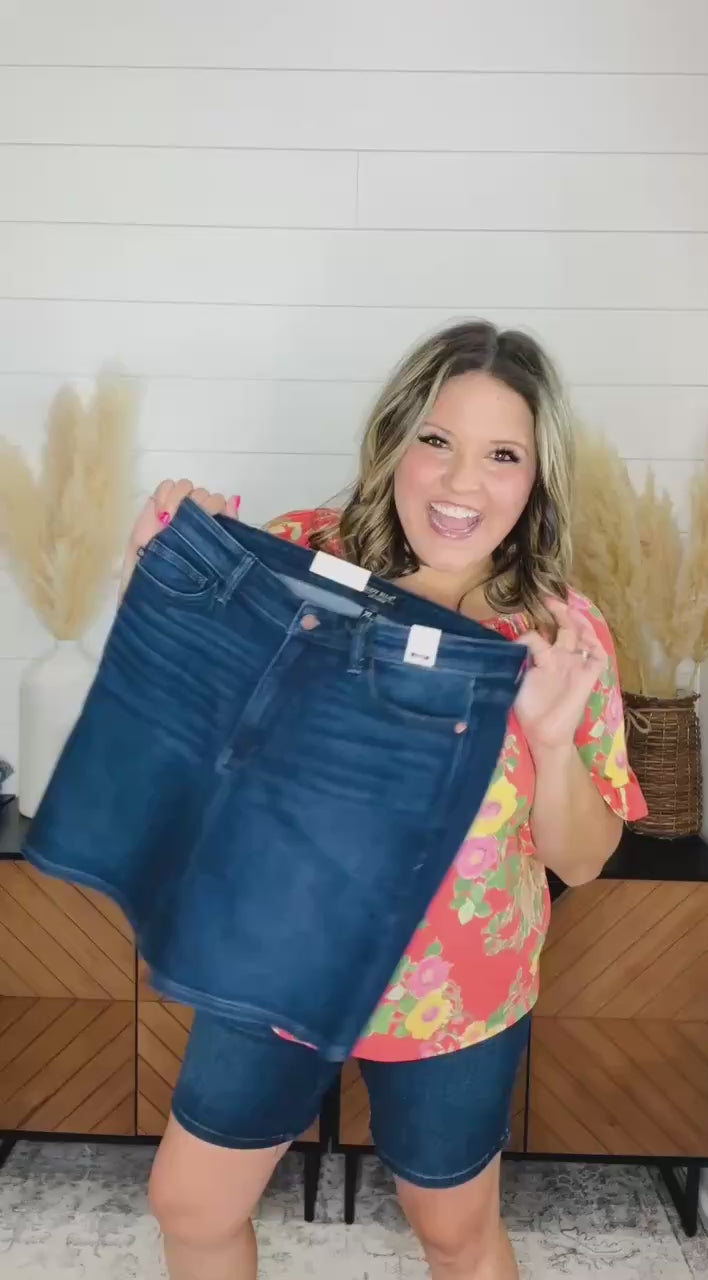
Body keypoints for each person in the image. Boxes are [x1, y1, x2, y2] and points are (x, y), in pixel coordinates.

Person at [120, 320, 646, 1280]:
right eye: (436, 440)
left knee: (455, 1236)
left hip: (458, 990)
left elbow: (581, 858)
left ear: (537, 478)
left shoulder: (560, 634)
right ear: (395, 438)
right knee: (190, 1206)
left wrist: (551, 741)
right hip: (278, 960)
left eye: (502, 455)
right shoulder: (296, 556)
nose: (460, 484)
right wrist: (154, 574)